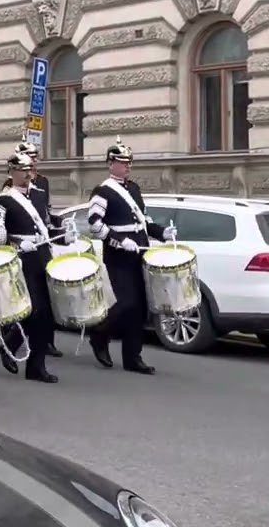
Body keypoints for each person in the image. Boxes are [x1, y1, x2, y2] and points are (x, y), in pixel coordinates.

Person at [86, 136, 175, 375]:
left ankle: (133, 357)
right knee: (123, 304)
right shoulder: (103, 190)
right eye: (123, 162)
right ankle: (99, 333)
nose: (127, 166)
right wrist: (119, 240)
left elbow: (142, 221)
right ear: (111, 163)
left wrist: (161, 232)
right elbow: (94, 224)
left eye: (129, 163)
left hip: (139, 252)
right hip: (117, 255)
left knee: (140, 307)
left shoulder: (133, 188)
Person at [0, 151, 72, 383]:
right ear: (12, 172)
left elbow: (46, 228)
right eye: (23, 170)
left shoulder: (39, 195)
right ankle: (12, 347)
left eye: (30, 170)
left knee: (46, 315)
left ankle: (36, 366)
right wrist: (15, 242)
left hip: (44, 257)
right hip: (22, 260)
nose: (28, 174)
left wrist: (65, 235)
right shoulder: (2, 200)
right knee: (33, 311)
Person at [13, 139, 63, 358]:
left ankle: (45, 342)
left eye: (35, 157)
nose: (34, 161)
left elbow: (45, 212)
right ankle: (12, 339)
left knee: (46, 300)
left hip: (42, 247)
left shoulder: (43, 182)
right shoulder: (10, 187)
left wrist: (58, 228)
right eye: (30, 157)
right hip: (23, 251)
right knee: (29, 304)